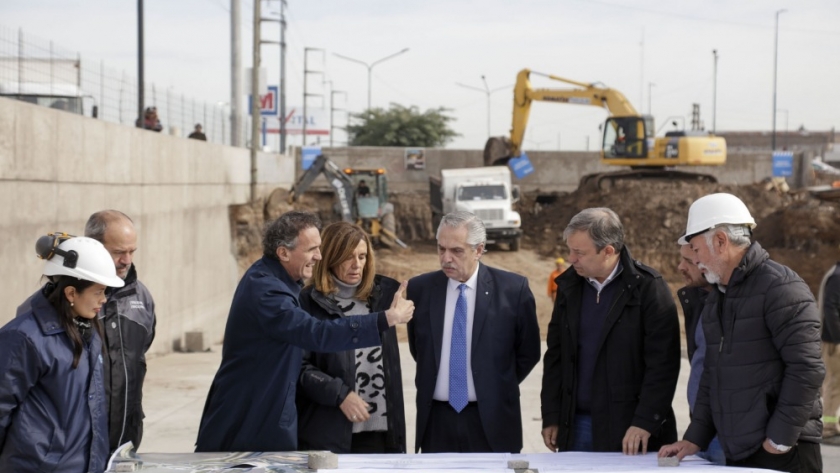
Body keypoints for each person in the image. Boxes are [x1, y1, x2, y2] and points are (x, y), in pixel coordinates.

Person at [196, 211, 414, 452]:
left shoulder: (279, 283)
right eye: (312, 249)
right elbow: (316, 333)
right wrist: (385, 319)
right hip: (249, 421)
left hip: (263, 417)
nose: (319, 256)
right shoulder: (268, 292)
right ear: (283, 252)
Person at [659, 193, 824, 473]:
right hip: (741, 451)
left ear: (721, 241)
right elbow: (713, 375)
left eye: (697, 250)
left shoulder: (781, 289)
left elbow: (807, 369)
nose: (695, 260)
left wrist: (778, 442)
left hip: (784, 453)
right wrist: (694, 439)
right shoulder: (718, 298)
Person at [541, 207, 680, 455]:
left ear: (608, 251)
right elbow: (555, 356)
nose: (571, 259)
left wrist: (645, 422)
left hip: (631, 430)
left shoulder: (649, 289)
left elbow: (663, 365)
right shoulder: (569, 287)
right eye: (570, 250)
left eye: (579, 253)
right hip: (576, 423)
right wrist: (551, 414)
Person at [407, 210, 541, 453]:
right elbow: (420, 350)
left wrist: (493, 384)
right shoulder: (420, 289)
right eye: (441, 249)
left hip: (491, 419)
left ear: (478, 250)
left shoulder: (513, 290)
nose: (446, 258)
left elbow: (528, 352)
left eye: (456, 251)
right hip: (436, 421)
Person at [0, 234, 125, 471]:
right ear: (70, 293)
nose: (104, 300)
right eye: (98, 292)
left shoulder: (89, 330)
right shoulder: (23, 338)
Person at [297, 222, 406, 453]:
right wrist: (340, 394)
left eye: (362, 256)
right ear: (330, 257)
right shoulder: (307, 302)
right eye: (348, 256)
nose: (357, 265)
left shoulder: (384, 297)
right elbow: (299, 367)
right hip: (329, 431)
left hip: (382, 433)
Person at [86, 210, 156, 452]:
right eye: (118, 252)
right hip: (80, 440)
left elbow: (141, 350)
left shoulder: (142, 297)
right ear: (95, 248)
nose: (127, 260)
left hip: (127, 436)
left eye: (131, 251)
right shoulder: (72, 300)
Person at [676, 243, 724, 465]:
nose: (680, 267)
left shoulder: (736, 306)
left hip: (728, 435)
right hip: (701, 432)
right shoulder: (698, 300)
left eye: (688, 260)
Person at [820, 259, 840, 445]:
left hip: (834, 339)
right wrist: (837, 338)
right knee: (834, 384)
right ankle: (828, 428)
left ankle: (834, 424)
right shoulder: (837, 276)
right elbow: (831, 308)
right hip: (834, 341)